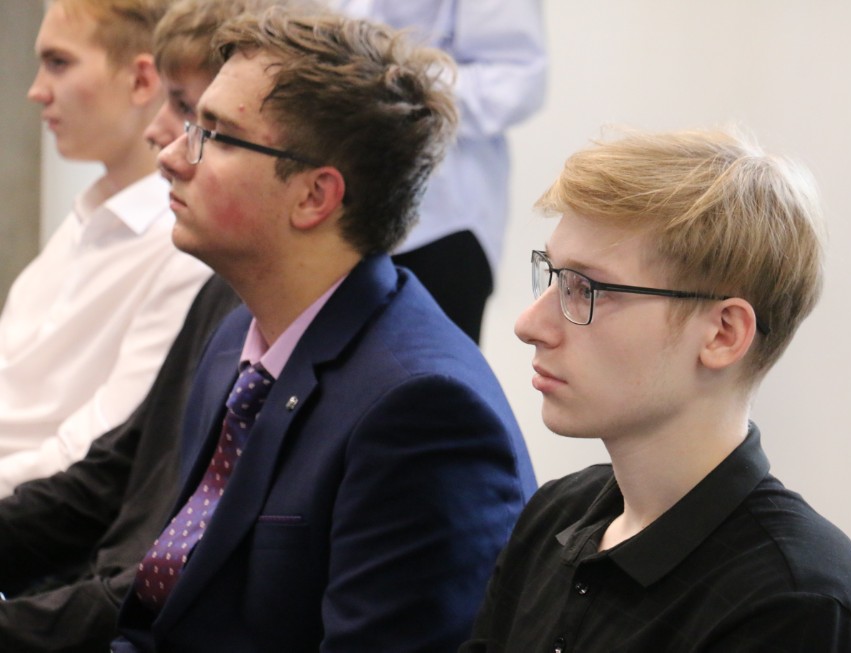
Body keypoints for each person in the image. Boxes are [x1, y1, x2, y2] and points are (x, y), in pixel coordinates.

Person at [114, 8, 536, 652]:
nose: (172, 155)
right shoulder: (238, 337)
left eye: (216, 136)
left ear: (314, 196)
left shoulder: (423, 413)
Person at [462, 128, 851, 651]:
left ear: (722, 334)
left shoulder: (795, 605)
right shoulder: (552, 516)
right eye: (552, 276)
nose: (530, 324)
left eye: (585, 288)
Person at [0, 1, 253, 650]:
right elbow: (109, 472)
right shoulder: (222, 297)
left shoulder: (192, 260)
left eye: (195, 117)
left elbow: (158, 568)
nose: (163, 141)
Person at [0, 0, 211, 496]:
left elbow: (98, 453)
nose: (36, 90)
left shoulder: (183, 246)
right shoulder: (88, 215)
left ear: (141, 80)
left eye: (59, 63)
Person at [333, 0, 547, 342]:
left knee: (425, 366)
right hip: (340, 205)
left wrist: (388, 82)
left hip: (439, 223)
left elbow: (517, 79)